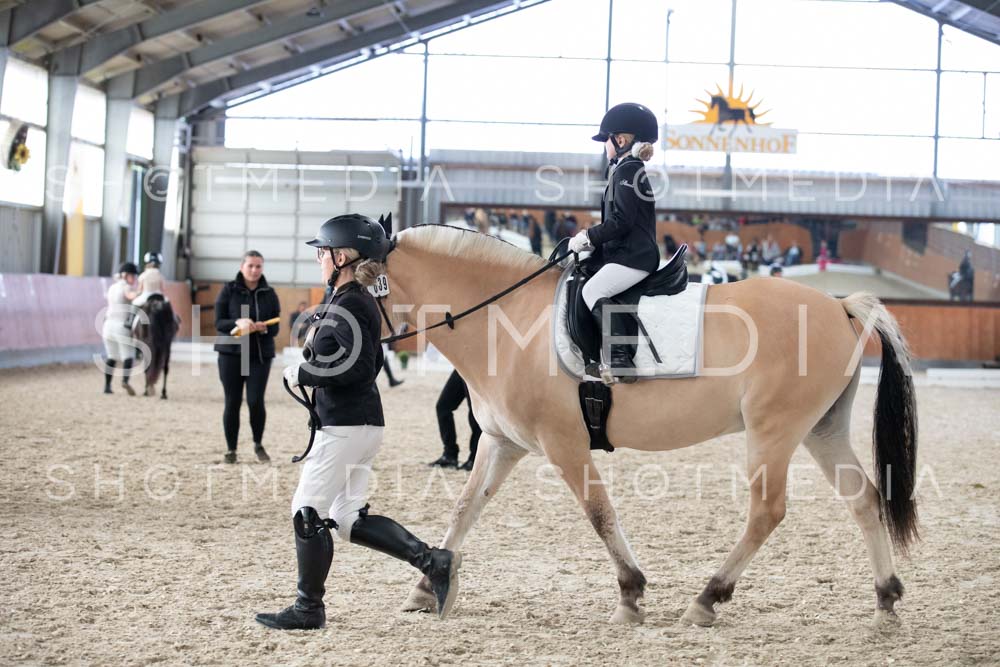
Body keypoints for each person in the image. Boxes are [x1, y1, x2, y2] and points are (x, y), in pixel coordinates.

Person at [256, 213, 460, 630]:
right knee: (349, 519)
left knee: (306, 511)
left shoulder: (351, 303)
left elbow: (362, 367)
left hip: (345, 426)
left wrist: (305, 373)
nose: (318, 258)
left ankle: (308, 608)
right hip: (359, 424)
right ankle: (433, 561)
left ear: (342, 258)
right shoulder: (348, 300)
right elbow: (364, 359)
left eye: (323, 252)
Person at [567, 102, 660, 385]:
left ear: (620, 141)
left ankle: (620, 358)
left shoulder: (627, 171)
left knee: (593, 290)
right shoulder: (627, 169)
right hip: (625, 253)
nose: (604, 147)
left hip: (635, 256)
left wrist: (588, 236)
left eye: (606, 141)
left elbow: (622, 221)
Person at [214, 250, 281, 464]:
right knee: (232, 402)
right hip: (230, 355)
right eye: (250, 265)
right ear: (242, 267)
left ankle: (258, 444)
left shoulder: (269, 293)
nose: (254, 270)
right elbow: (219, 322)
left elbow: (276, 326)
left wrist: (263, 328)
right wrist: (237, 323)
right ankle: (231, 449)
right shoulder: (228, 290)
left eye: (258, 266)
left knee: (255, 401)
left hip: (259, 356)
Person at [428, 370, 481, 471]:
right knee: (443, 407)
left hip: (477, 367)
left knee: (475, 413)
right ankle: (450, 455)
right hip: (461, 367)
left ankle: (475, 458)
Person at [101, 261, 139, 395]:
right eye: (133, 276)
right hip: (121, 325)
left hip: (107, 326)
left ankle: (107, 386)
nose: (134, 279)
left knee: (112, 356)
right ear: (125, 275)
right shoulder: (126, 287)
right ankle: (125, 381)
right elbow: (131, 296)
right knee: (128, 355)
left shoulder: (112, 287)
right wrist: (141, 292)